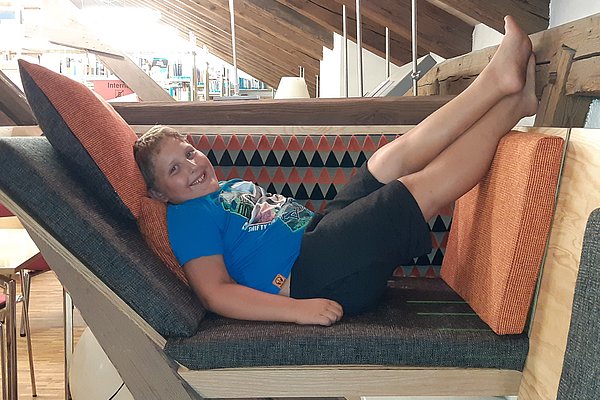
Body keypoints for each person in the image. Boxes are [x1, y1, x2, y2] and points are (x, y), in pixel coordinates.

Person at [134, 16, 538, 327]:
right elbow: (215, 294)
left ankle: (516, 100)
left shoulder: (226, 189)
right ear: (159, 193)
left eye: (189, 153)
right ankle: (502, 93)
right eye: (175, 169)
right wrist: (299, 311)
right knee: (412, 190)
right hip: (315, 277)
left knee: (386, 161)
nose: (192, 166)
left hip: (319, 237)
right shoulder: (189, 216)